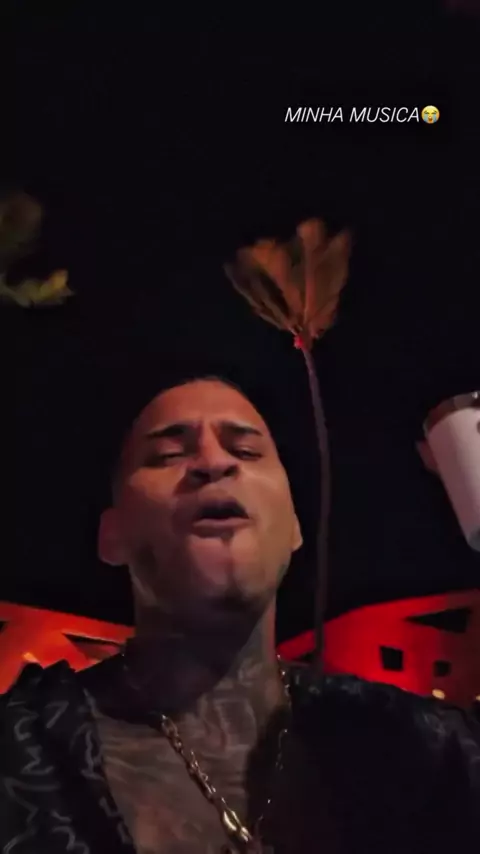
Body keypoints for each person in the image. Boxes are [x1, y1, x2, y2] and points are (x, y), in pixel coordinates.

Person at [1, 372, 479, 854]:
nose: (214, 462)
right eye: (167, 455)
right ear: (112, 536)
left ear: (294, 529)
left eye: (247, 452)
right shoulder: (21, 748)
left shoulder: (417, 745)